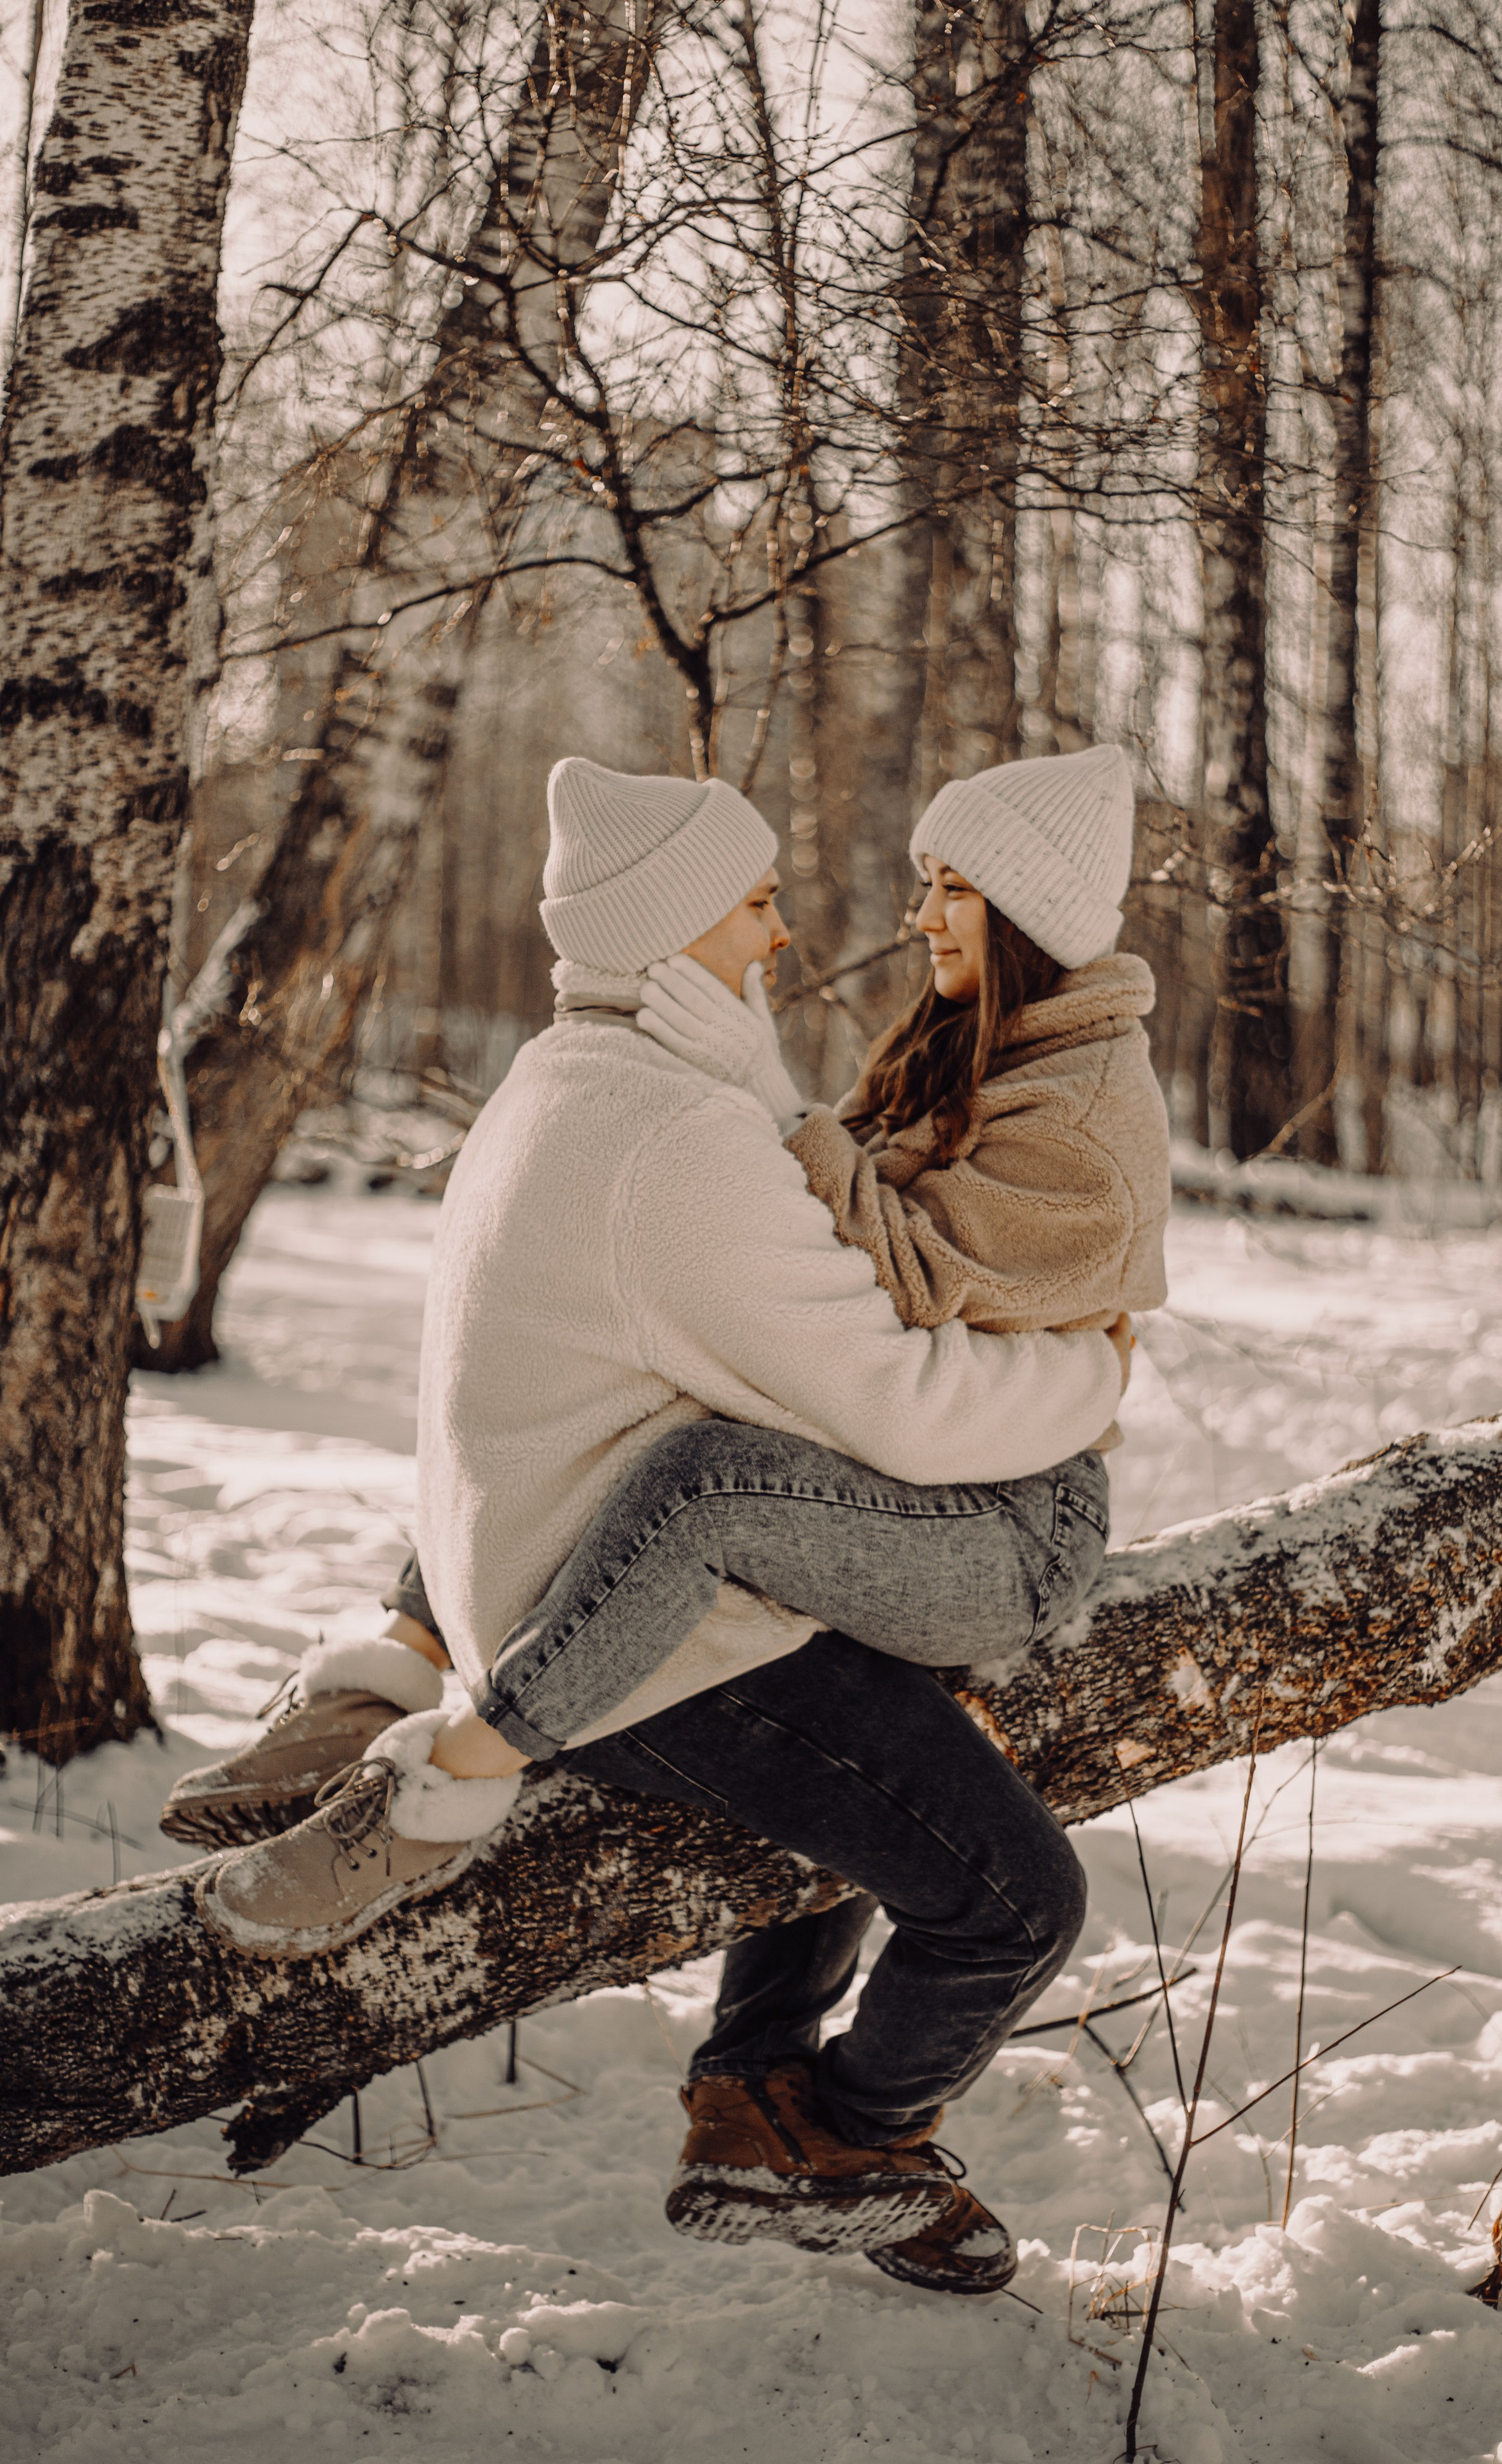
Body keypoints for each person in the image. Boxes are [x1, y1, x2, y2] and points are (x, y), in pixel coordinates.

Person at [180, 744, 1165, 2296]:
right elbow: (896, 1396)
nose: (808, 931)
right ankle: (830, 2130)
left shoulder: (560, 1082)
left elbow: (890, 1328)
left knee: (816, 1665)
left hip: (762, 1561)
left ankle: (772, 2113)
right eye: (760, 903)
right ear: (679, 925)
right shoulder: (689, 1137)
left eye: (948, 885)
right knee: (1011, 1897)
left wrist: (782, 1117)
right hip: (650, 1630)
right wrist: (1081, 1388)